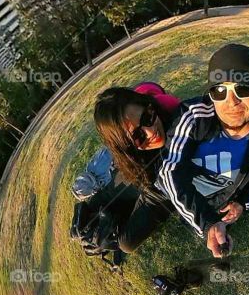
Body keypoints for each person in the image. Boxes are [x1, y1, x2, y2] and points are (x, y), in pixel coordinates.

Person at [158, 44, 249, 259]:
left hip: (215, 206)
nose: (231, 102)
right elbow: (169, 172)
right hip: (170, 197)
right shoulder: (193, 117)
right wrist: (207, 223)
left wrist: (242, 204)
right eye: (219, 91)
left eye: (244, 89)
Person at [78, 82, 182, 254]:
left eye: (147, 117)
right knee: (99, 203)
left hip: (161, 188)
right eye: (138, 136)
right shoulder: (129, 155)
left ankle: (109, 230)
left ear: (149, 106)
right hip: (144, 170)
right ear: (125, 146)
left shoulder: (174, 113)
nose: (151, 131)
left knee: (125, 243)